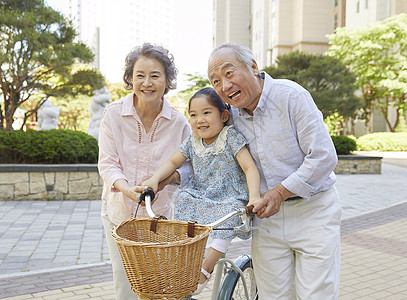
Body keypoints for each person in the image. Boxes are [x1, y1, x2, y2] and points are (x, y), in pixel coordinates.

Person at [208, 43, 342, 300]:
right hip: (266, 221)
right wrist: (172, 176)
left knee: (316, 295)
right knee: (273, 296)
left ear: (253, 67)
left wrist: (280, 193)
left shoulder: (291, 95)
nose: (224, 86)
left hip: (313, 210)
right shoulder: (230, 116)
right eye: (216, 81)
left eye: (229, 73)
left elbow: (324, 156)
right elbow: (204, 153)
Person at [142, 87, 262, 295]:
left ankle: (206, 268)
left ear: (224, 115)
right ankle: (182, 264)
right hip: (201, 193)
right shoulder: (192, 141)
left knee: (231, 213)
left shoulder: (230, 137)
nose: (200, 120)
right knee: (182, 199)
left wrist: (254, 197)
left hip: (229, 195)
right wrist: (154, 179)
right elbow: (172, 161)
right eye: (194, 115)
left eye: (207, 113)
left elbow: (249, 167)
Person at [97, 43, 191, 300]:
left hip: (157, 218)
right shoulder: (113, 114)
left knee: (156, 287)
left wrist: (165, 180)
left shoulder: (179, 122)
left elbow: (189, 168)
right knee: (125, 286)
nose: (147, 83)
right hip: (119, 215)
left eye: (155, 76)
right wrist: (127, 189)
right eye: (140, 75)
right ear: (130, 78)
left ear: (167, 80)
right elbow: (107, 163)